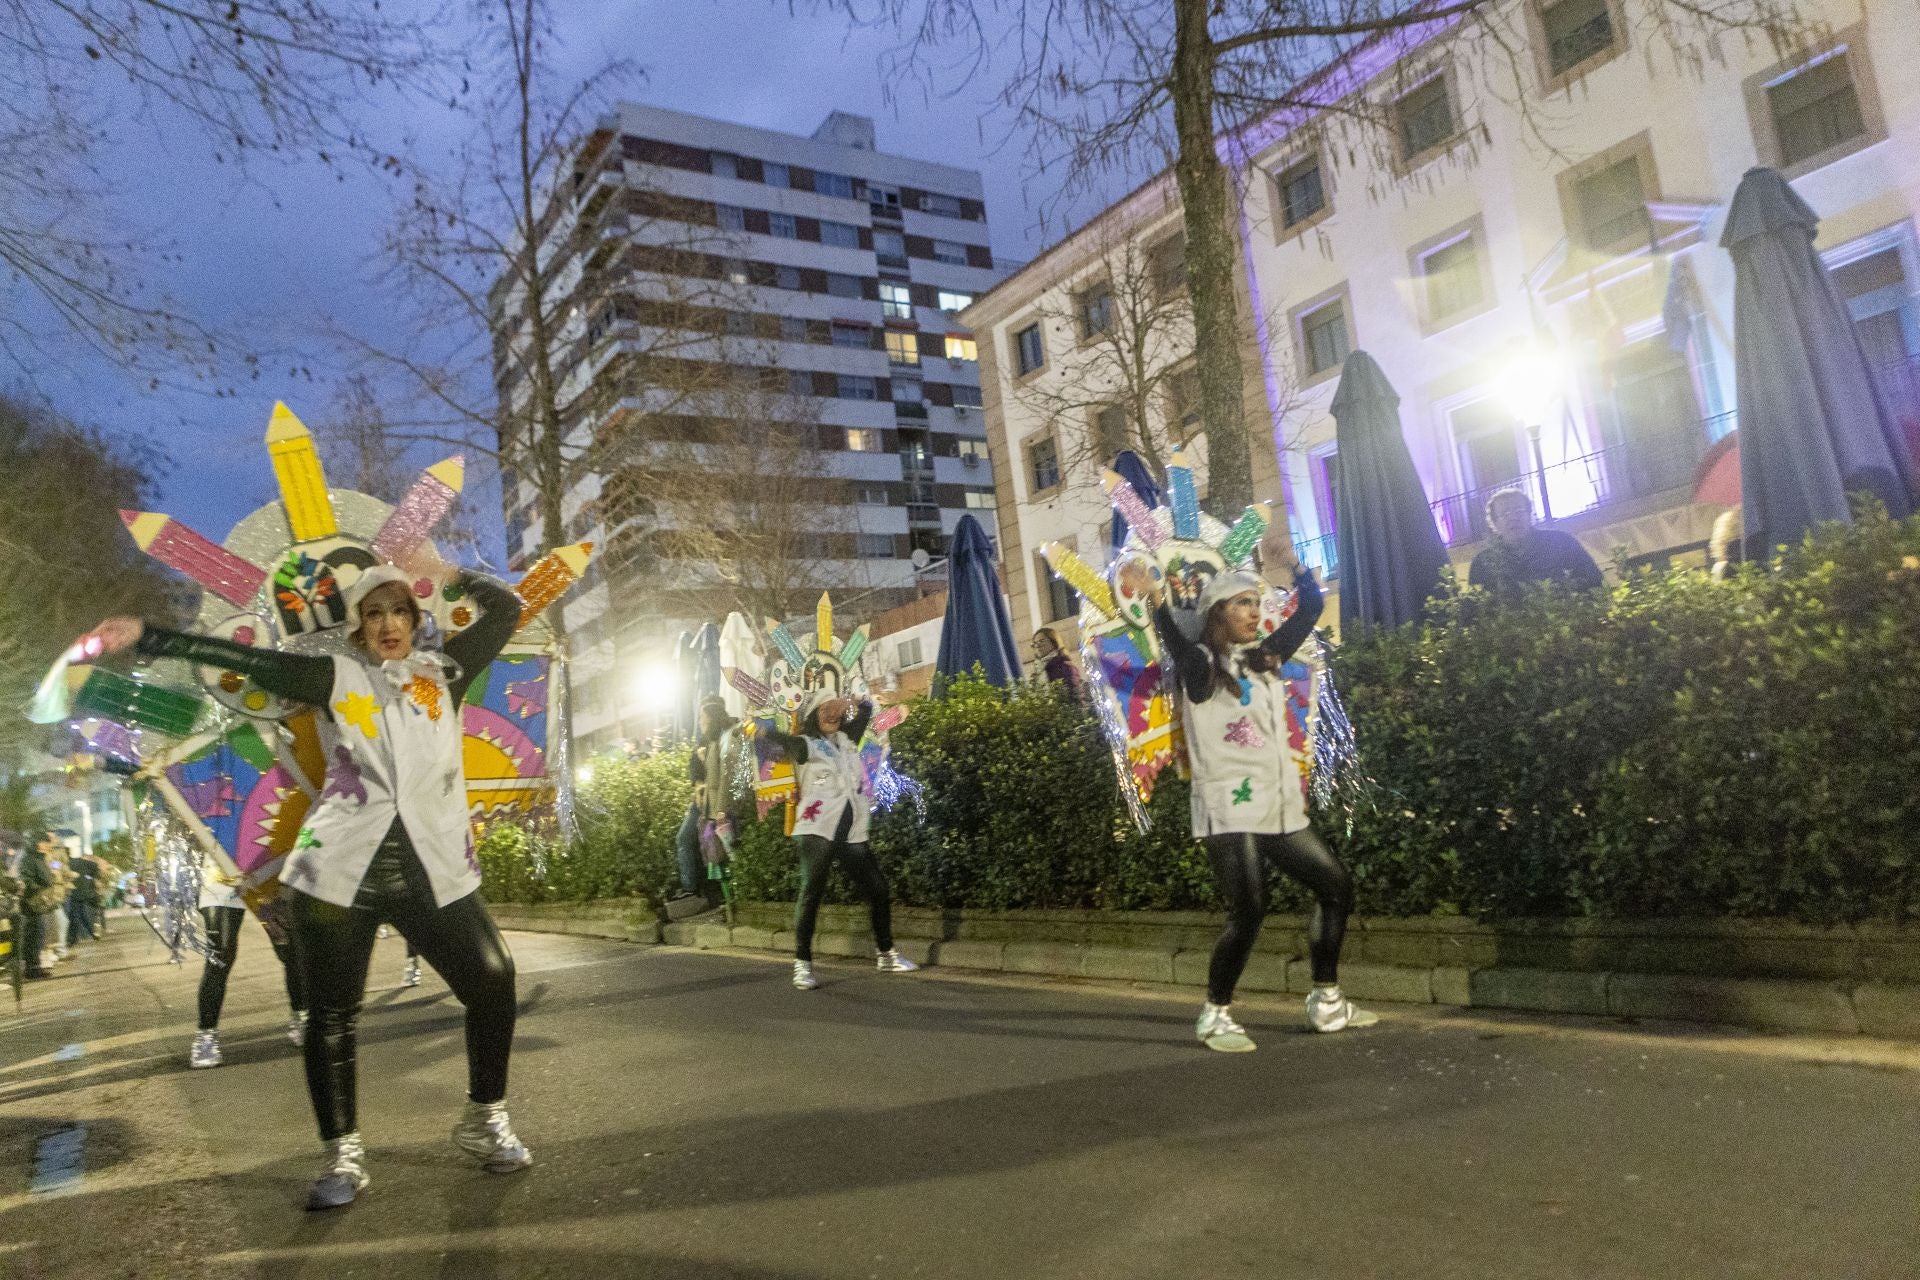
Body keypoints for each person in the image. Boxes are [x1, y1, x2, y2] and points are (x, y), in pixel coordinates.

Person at [85, 562, 529, 1210]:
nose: (387, 624)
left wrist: (453, 573)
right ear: (358, 626)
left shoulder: (444, 672)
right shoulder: (334, 676)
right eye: (373, 614)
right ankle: (342, 1155)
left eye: (398, 611)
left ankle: (484, 1117)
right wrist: (152, 636)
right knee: (330, 1017)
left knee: (493, 980)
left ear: (415, 620)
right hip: (337, 870)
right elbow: (249, 660)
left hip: (434, 868)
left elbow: (508, 610)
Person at [1128, 542, 1377, 1051]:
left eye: (1256, 602)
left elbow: (1310, 606)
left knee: (1336, 887)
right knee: (1250, 908)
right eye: (1241, 603)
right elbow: (1172, 635)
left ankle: (1326, 999)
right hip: (1228, 804)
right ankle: (1216, 1012)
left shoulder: (1266, 657)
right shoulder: (1199, 665)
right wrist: (1155, 594)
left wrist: (1294, 566)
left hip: (1278, 803)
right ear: (1218, 613)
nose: (1254, 611)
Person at [761, 690, 916, 990]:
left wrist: (861, 703)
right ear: (813, 718)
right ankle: (802, 965)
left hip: (850, 831)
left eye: (835, 712)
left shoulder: (846, 741)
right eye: (824, 712)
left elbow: (866, 715)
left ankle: (886, 953)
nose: (832, 717)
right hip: (817, 830)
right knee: (812, 894)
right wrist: (762, 729)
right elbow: (785, 743)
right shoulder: (807, 745)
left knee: (878, 889)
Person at [189, 868, 310, 1068]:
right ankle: (205, 1036)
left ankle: (302, 1016)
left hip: (270, 869)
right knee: (221, 952)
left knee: (291, 950)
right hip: (221, 872)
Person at [1467, 489, 1605, 598]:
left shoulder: (1561, 543)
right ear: (1494, 523)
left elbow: (1595, 584)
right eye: (1505, 513)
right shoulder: (1483, 563)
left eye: (1519, 510)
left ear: (1529, 514)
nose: (1513, 518)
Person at [684, 697, 739, 907]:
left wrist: (721, 810)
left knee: (727, 856)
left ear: (713, 719)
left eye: (703, 718)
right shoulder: (711, 743)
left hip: (720, 812)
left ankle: (733, 901)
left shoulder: (725, 741)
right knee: (715, 857)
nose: (700, 722)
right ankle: (727, 901)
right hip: (709, 813)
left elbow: (725, 778)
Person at [18, 832, 56, 980]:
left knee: (38, 935)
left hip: (39, 902)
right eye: (45, 842)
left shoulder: (40, 858)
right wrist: (38, 888)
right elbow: (26, 879)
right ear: (37, 843)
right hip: (31, 903)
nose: (48, 845)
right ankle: (32, 969)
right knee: (34, 935)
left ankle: (35, 967)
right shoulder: (30, 859)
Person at [66, 848, 106, 946]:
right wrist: (91, 878)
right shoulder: (81, 862)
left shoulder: (65, 864)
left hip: (75, 892)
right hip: (82, 892)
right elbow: (95, 867)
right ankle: (91, 933)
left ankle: (73, 939)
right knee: (81, 915)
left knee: (75, 915)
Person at [1033, 627, 1082, 698]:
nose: (1037, 645)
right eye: (1035, 643)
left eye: (1042, 641)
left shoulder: (1065, 666)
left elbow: (1073, 696)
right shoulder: (1038, 670)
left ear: (1053, 642)